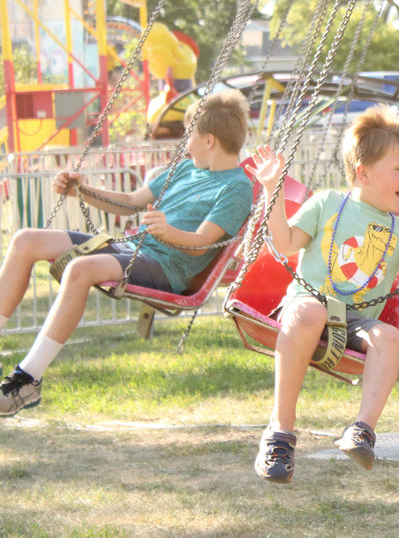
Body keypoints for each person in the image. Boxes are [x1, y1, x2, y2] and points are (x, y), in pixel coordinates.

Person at [0, 90, 254, 416]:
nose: (184, 143)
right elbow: (130, 201)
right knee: (26, 240)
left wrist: (168, 232)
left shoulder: (235, 187)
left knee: (80, 269)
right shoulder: (183, 170)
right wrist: (82, 191)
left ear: (209, 141)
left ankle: (27, 380)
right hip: (133, 248)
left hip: (167, 267)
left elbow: (204, 241)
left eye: (189, 134)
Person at [248, 106, 399, 484]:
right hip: (306, 305)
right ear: (363, 172)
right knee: (310, 312)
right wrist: (272, 190)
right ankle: (280, 432)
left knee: (389, 336)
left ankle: (362, 430)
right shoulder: (328, 203)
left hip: (354, 320)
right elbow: (284, 241)